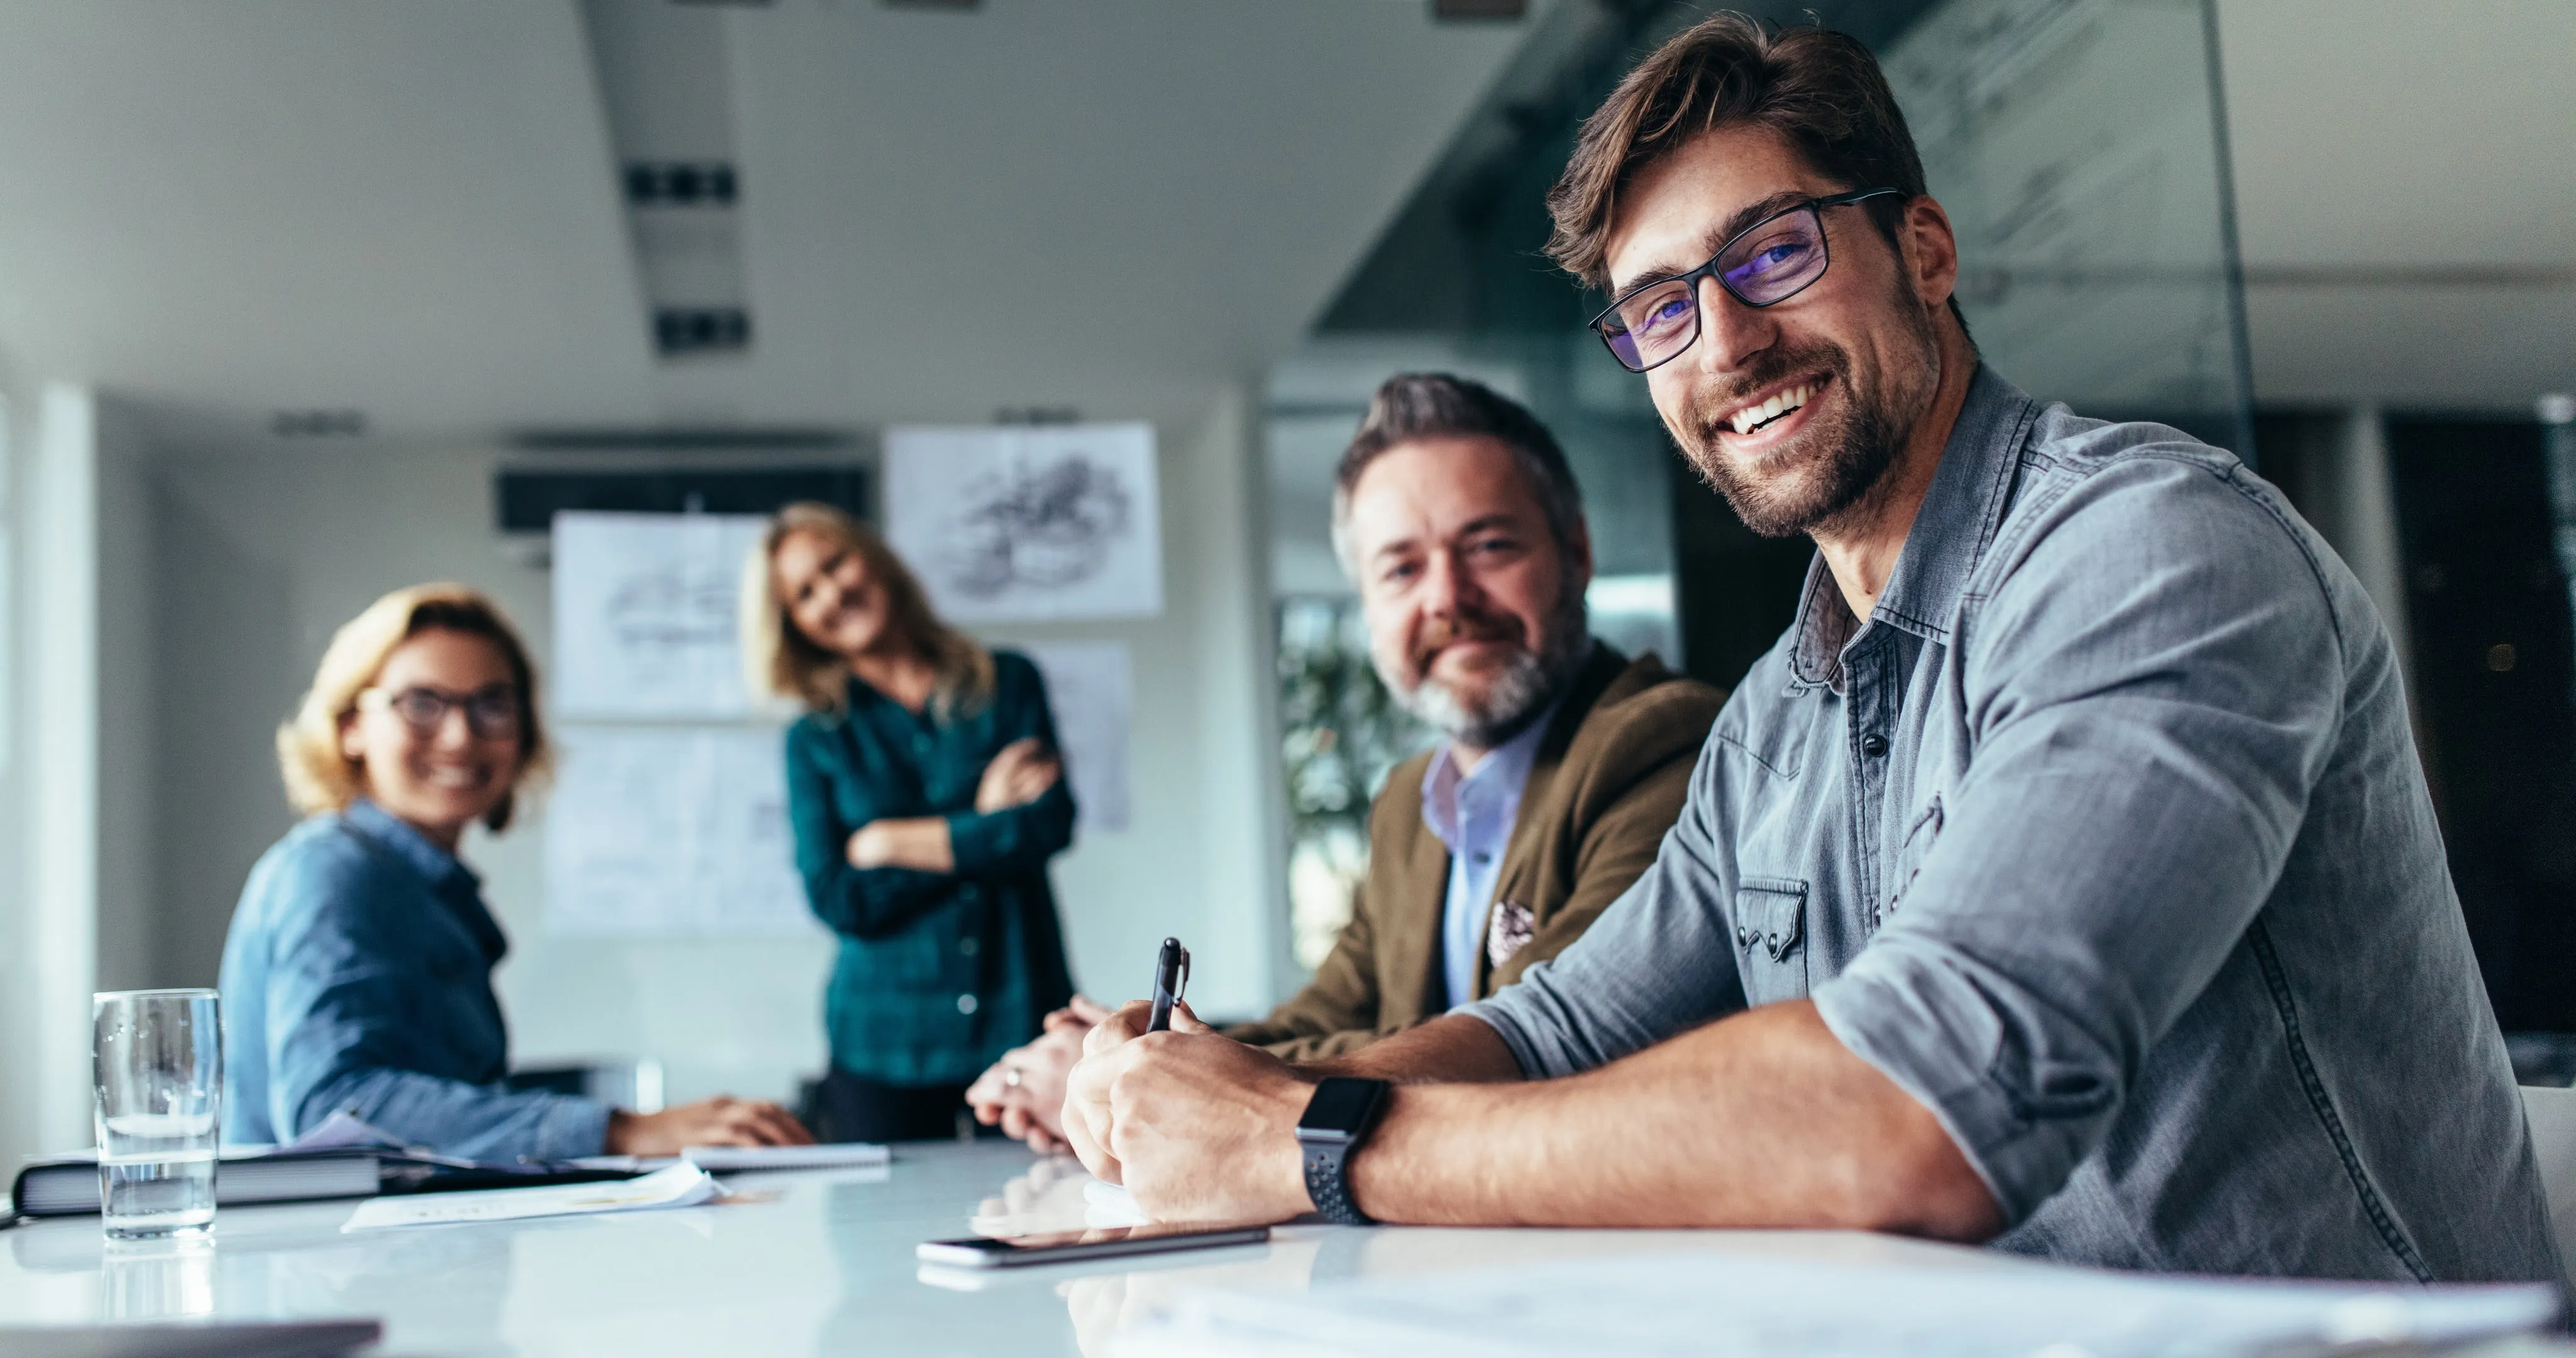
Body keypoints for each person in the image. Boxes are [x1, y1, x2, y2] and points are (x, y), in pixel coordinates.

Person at [1061, 15, 2560, 1283]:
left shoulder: (2150, 551)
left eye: (1770, 254)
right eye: (1658, 309)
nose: (1722, 344)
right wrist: (1230, 1097)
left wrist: (1307, 1142)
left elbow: (1920, 1109)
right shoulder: (1778, 713)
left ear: (1922, 246)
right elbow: (1555, 1025)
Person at [964, 374, 1724, 1151]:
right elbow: (1331, 1015)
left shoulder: (1661, 743)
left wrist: (1146, 1081)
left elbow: (1535, 1038)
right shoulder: (1409, 802)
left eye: (1489, 546)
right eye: (1401, 568)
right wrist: (1142, 1058)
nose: (1447, 598)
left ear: (1577, 551)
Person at [222, 583, 810, 1160]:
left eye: (493, 705)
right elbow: (334, 1108)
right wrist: (619, 1131)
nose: (460, 736)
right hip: (321, 1254)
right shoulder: (335, 875)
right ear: (351, 725)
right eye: (421, 703)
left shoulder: (425, 889)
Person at [746, 502, 1079, 1142]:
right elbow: (839, 897)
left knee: (1046, 1216)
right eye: (804, 593)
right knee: (881, 1238)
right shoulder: (814, 738)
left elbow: (1047, 826)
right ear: (793, 625)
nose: (832, 593)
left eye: (834, 563)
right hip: (882, 1043)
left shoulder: (1007, 682)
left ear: (872, 557)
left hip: (1020, 1016)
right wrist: (982, 820)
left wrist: (889, 842)